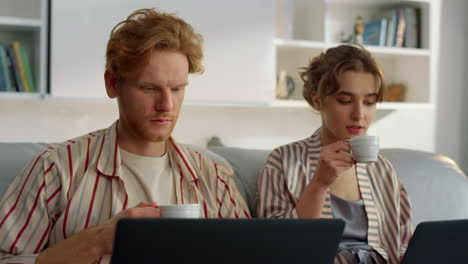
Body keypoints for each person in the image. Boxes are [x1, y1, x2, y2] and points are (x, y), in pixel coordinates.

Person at [0, 8, 250, 264]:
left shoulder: (216, 180)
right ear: (112, 83)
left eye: (176, 89)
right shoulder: (55, 170)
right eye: (149, 88)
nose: (167, 105)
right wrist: (97, 241)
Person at [257, 45, 412, 264]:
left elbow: (406, 245)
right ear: (318, 100)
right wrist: (319, 183)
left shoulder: (384, 169)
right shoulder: (282, 162)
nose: (359, 114)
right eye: (345, 101)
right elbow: (276, 248)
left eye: (369, 102)